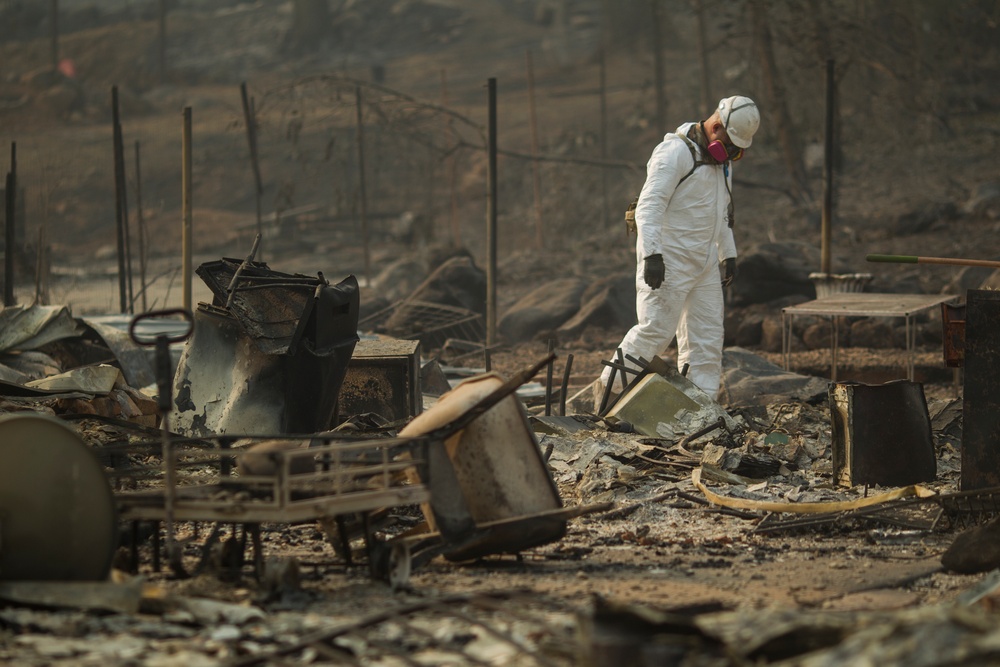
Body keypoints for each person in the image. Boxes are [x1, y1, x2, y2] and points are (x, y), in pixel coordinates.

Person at [597, 95, 760, 406]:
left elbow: (722, 211)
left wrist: (729, 254)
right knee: (654, 331)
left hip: (704, 263)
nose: (731, 154)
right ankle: (606, 394)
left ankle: (702, 409)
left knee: (707, 341)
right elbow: (649, 206)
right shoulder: (674, 153)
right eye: (728, 145)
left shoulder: (722, 164)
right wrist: (652, 256)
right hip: (669, 260)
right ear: (715, 127)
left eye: (737, 151)